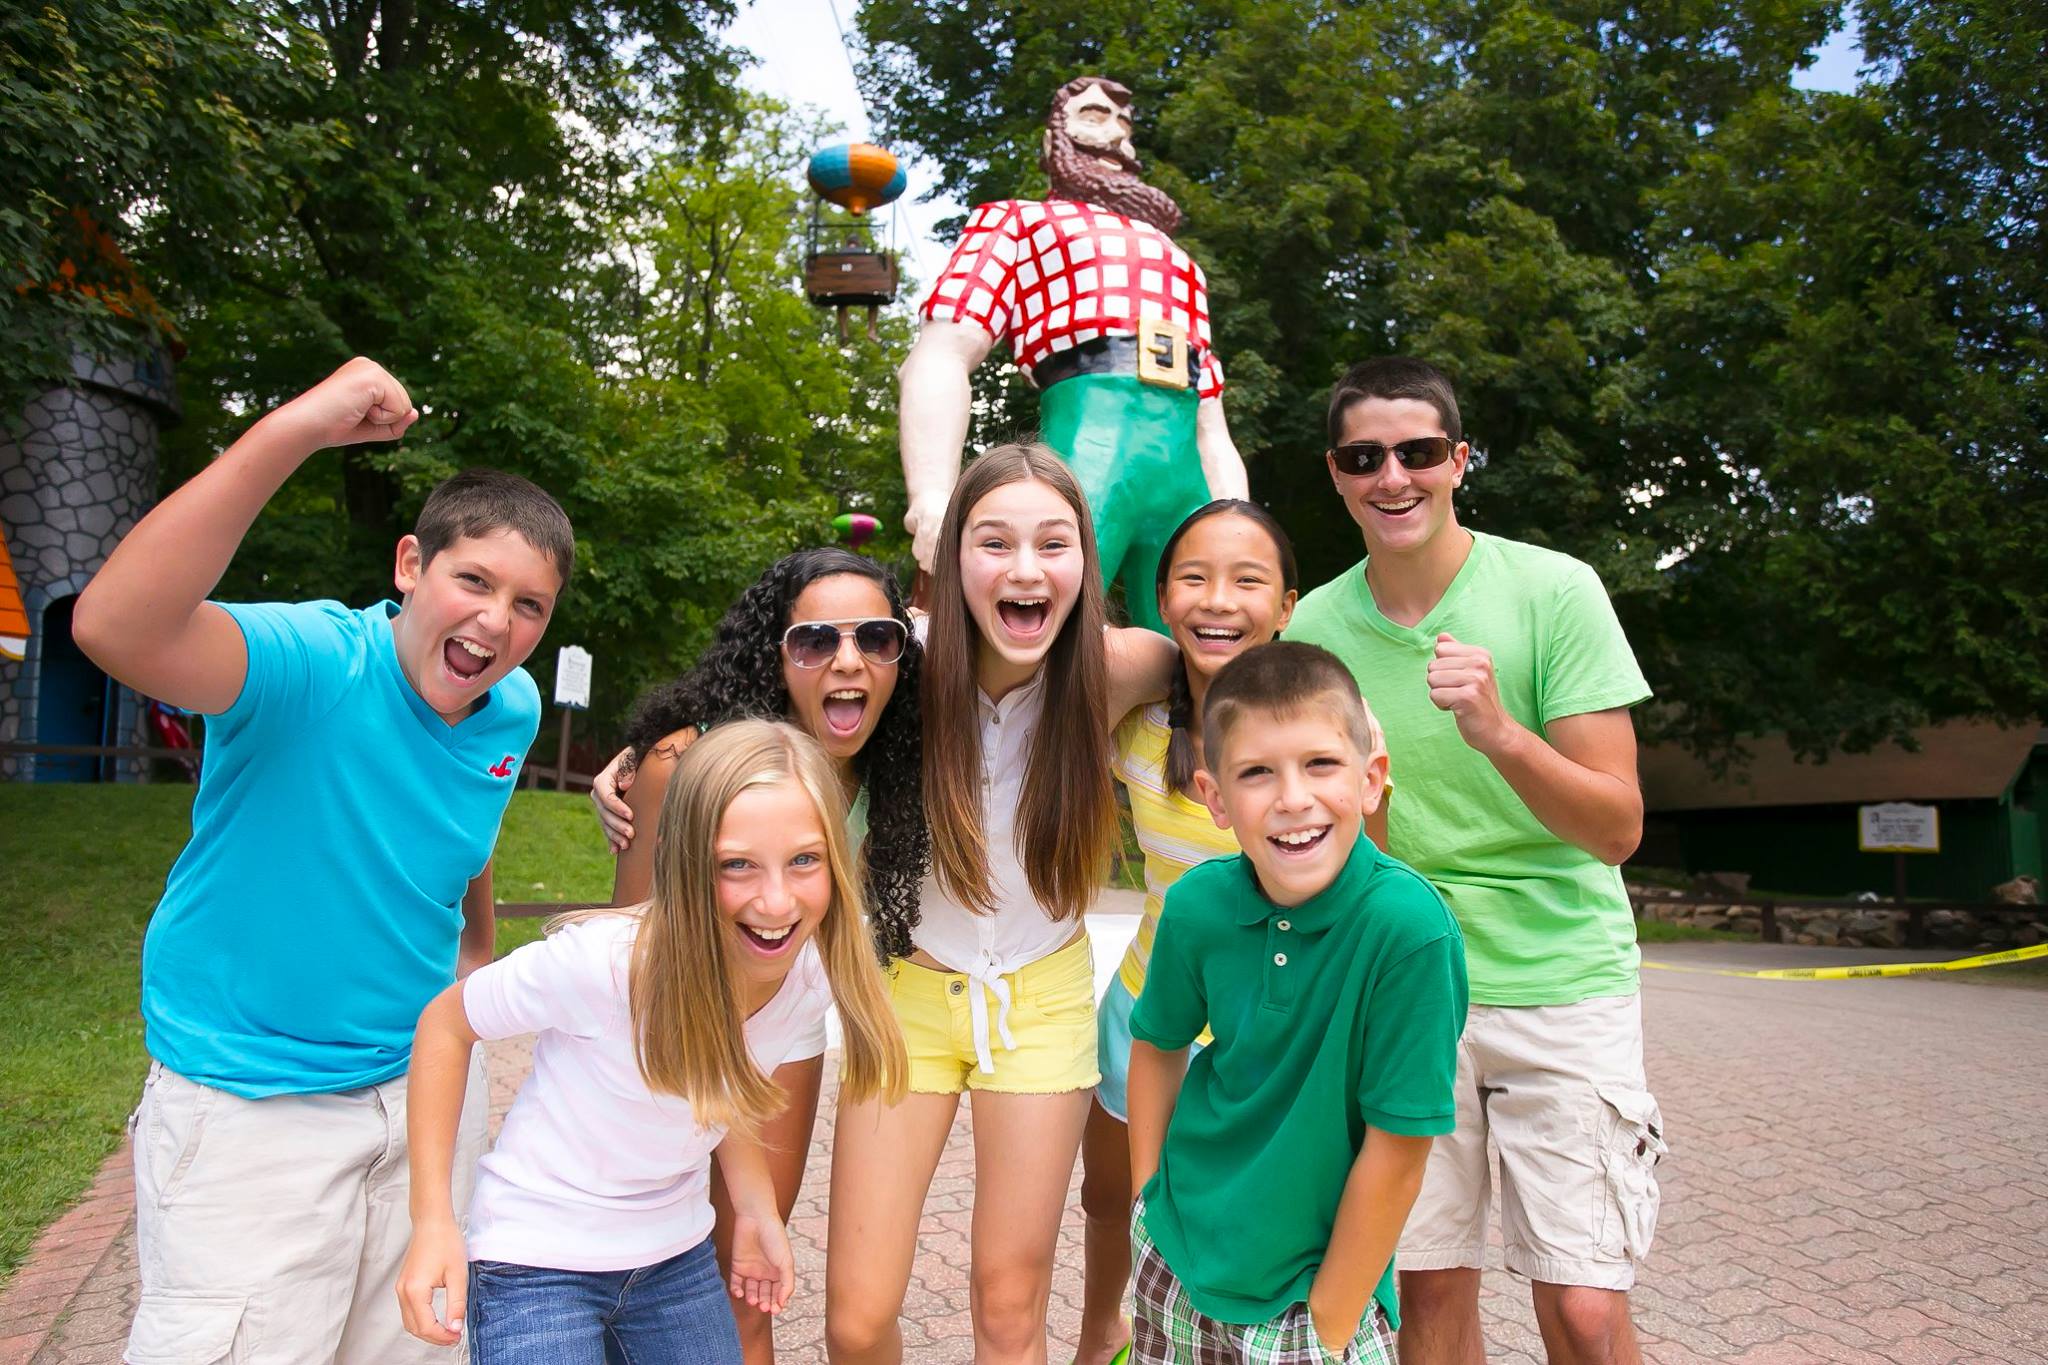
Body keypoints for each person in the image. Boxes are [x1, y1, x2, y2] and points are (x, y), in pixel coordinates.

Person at [72, 357, 572, 1363]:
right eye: (472, 580)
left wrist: (472, 959)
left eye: (528, 605)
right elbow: (112, 626)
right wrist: (293, 428)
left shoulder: (508, 707)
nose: (494, 622)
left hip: (419, 1095)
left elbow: (456, 835)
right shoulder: (308, 664)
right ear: (408, 568)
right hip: (254, 1107)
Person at [1284, 357, 1664, 1365]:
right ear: (1334, 474)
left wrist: (1499, 732)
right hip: (1408, 989)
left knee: (1583, 1310)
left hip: (1559, 983)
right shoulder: (1316, 626)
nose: (1391, 477)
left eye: (1416, 452)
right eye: (1363, 457)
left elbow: (1616, 828)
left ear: (1457, 460)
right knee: (1427, 1289)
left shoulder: (1553, 590)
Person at [397, 719, 908, 1363]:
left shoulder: (808, 970)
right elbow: (446, 1024)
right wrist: (433, 1222)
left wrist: (754, 1210)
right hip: (537, 1261)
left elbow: (726, 1080)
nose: (776, 903)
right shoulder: (605, 966)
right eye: (737, 865)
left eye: (804, 859)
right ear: (682, 858)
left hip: (674, 1255)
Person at [825, 443, 1176, 1365]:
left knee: (1010, 1306)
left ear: (1085, 562)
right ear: (950, 556)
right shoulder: (895, 657)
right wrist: (642, 757)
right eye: (994, 541)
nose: (1025, 569)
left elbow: (1230, 664)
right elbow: (759, 691)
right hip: (904, 993)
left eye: (1053, 543)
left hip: (1044, 996)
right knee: (858, 1319)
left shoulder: (1117, 665)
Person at [586, 546, 928, 1363]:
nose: (846, 660)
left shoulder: (894, 765)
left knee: (746, 1276)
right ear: (774, 654)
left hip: (783, 1033)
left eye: (875, 638)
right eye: (814, 640)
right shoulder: (683, 761)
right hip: (664, 1038)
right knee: (629, 1283)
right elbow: (627, 946)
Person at [1074, 499, 1392, 1365]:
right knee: (1117, 1200)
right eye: (1193, 577)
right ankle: (1111, 1328)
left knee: (1263, 1199)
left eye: (1247, 580)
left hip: (1272, 1034)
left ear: (1287, 605)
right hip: (1148, 1014)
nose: (1219, 598)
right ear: (1163, 599)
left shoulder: (1334, 733)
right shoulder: (1136, 727)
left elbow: (1369, 888)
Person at [1126, 641, 1468, 1365]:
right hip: (1178, 1260)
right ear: (1215, 798)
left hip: (1312, 1298)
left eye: (1320, 764)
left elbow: (1400, 1145)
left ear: (1371, 779)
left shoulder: (1409, 931)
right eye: (1256, 773)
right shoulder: (1196, 905)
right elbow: (1157, 1045)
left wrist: (1330, 1325)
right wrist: (1145, 1201)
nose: (1293, 798)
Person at [900, 75, 1248, 632]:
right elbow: (941, 352)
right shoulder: (1018, 221)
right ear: (1051, 141)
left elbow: (1211, 417)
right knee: (1049, 634)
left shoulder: (1181, 263)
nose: (1113, 134)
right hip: (1087, 448)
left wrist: (1238, 516)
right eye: (1093, 115)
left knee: (1204, 645)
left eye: (1122, 122)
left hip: (1185, 463)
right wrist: (932, 495)